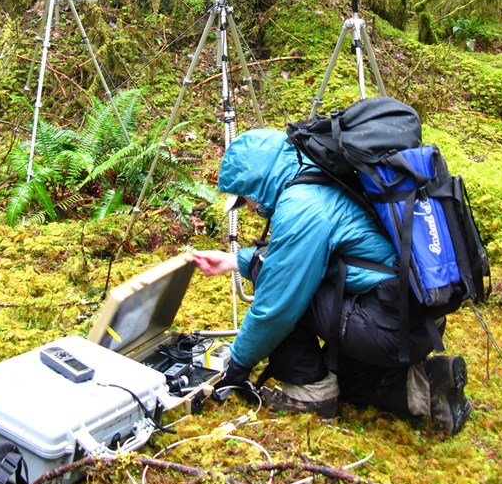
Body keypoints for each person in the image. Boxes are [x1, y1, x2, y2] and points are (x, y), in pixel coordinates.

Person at [193, 127, 471, 435]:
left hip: (387, 327)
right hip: (412, 321)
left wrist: (237, 365)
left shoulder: (301, 204)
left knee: (271, 278)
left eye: (245, 198)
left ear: (257, 184)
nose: (250, 208)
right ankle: (429, 385)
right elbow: (295, 252)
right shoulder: (316, 176)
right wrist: (232, 261)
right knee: (343, 375)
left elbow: (277, 304)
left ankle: (310, 394)